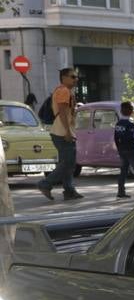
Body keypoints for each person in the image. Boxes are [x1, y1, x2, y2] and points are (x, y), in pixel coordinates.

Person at [36, 67, 81, 201]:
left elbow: (66, 112)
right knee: (68, 162)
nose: (76, 79)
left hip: (64, 131)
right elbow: (62, 112)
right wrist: (67, 131)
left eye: (76, 77)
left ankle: (69, 190)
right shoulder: (63, 91)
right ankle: (45, 184)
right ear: (64, 78)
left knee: (68, 163)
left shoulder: (66, 91)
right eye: (72, 77)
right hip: (62, 132)